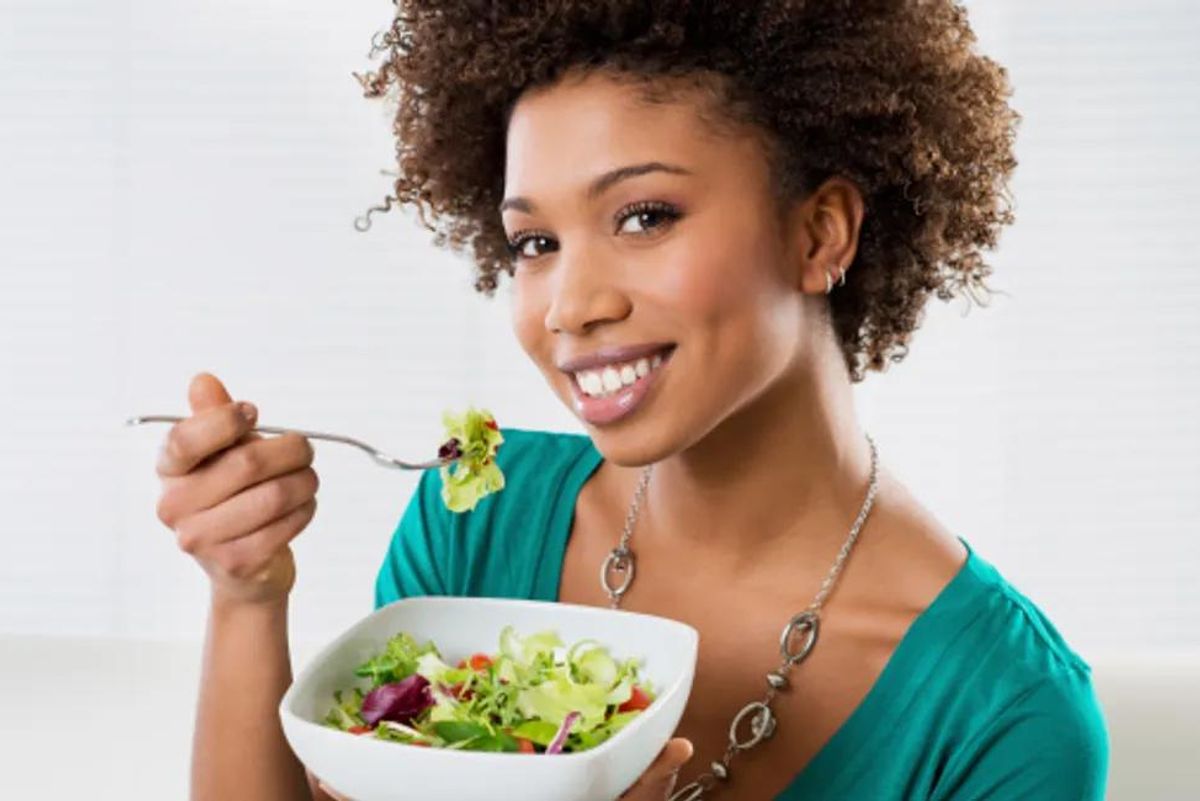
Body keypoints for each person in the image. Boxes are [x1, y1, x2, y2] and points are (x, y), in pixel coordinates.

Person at [154, 2, 1109, 799]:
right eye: (535, 243)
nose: (569, 306)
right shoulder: (476, 520)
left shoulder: (1005, 720)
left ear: (820, 233)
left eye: (643, 217)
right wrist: (246, 596)